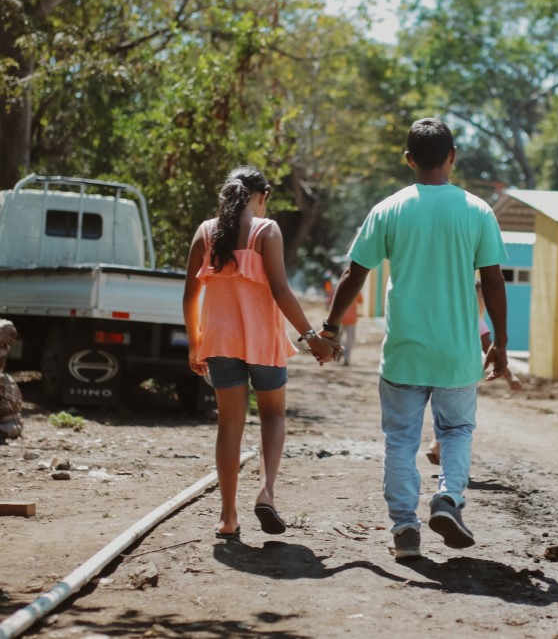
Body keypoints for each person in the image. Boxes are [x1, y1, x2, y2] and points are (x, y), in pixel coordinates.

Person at [323, 118, 509, 559]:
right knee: (457, 430)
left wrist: (330, 327)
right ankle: (448, 498)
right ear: (452, 156)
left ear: (408, 160)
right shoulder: (477, 210)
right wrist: (499, 342)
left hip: (404, 351)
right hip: (457, 352)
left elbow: (354, 272)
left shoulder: (388, 209)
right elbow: (493, 280)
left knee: (401, 442)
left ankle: (405, 529)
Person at [183, 165, 341, 540]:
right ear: (262, 196)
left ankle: (227, 517)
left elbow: (190, 295)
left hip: (220, 342)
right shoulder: (266, 230)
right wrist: (311, 338)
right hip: (263, 342)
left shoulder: (205, 232)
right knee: (272, 416)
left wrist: (195, 342)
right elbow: (281, 290)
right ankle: (266, 492)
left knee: (229, 426)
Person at [426, 281, 521, 465]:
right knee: (458, 420)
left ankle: (436, 445)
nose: (486, 300)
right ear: (470, 298)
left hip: (438, 372)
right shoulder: (477, 323)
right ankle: (449, 461)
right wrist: (510, 376)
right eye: (482, 296)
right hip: (462, 376)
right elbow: (492, 351)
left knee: (442, 411)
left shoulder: (448, 318)